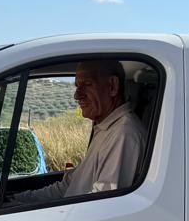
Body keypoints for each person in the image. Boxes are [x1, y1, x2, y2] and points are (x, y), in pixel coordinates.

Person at [12, 59, 146, 204]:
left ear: (112, 86)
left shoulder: (123, 134)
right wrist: (18, 200)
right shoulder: (105, 128)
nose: (77, 95)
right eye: (77, 86)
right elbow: (68, 186)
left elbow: (102, 205)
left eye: (87, 84)